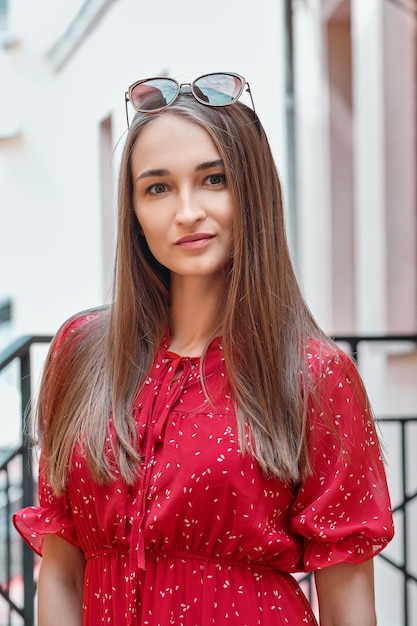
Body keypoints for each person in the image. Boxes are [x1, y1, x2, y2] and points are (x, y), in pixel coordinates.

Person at [14, 72, 394, 626]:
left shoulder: (314, 374)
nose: (187, 211)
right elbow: (62, 568)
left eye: (213, 179)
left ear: (252, 191)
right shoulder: (82, 354)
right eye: (158, 187)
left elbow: (347, 600)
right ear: (135, 212)